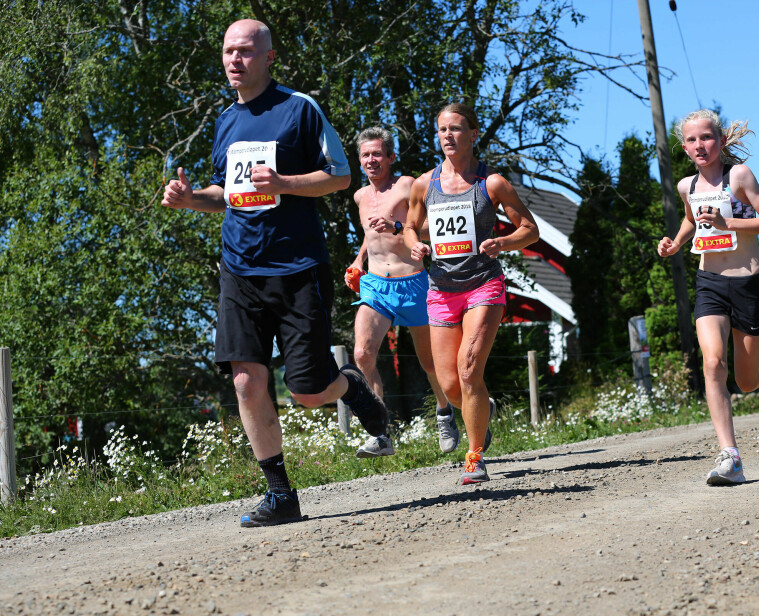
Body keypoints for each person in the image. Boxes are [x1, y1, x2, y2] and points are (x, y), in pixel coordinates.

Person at [160, 19, 392, 527]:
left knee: (308, 390)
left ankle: (352, 389)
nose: (233, 60)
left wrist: (284, 181)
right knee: (246, 380)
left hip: (295, 267)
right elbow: (227, 194)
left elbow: (340, 175)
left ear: (268, 58)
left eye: (244, 51)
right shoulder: (225, 121)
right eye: (227, 51)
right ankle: (280, 493)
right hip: (239, 269)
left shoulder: (299, 109)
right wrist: (190, 199)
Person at [405, 103, 540, 485]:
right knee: (450, 384)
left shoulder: (492, 183)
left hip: (483, 285)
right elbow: (411, 227)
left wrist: (504, 242)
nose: (448, 136)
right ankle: (482, 410)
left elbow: (530, 229)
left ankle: (475, 456)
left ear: (474, 134)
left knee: (468, 369)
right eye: (442, 129)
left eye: (456, 128)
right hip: (441, 289)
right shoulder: (423, 184)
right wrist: (415, 244)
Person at [657, 109, 759, 486]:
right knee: (713, 364)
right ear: (684, 147)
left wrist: (728, 222)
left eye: (707, 137)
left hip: (748, 283)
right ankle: (730, 457)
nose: (701, 145)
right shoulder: (688, 187)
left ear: (722, 141)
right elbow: (690, 219)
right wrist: (675, 243)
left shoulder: (739, 176)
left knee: (747, 382)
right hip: (709, 282)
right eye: (693, 140)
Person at [346, 127, 463, 453]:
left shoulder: (407, 185)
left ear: (391, 157)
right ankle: (380, 432)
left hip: (413, 284)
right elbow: (370, 237)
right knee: (362, 354)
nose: (371, 160)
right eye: (365, 155)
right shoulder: (360, 196)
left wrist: (398, 226)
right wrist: (357, 261)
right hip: (376, 285)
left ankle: (444, 410)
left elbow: (431, 222)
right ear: (360, 160)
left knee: (430, 363)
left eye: (377, 154)